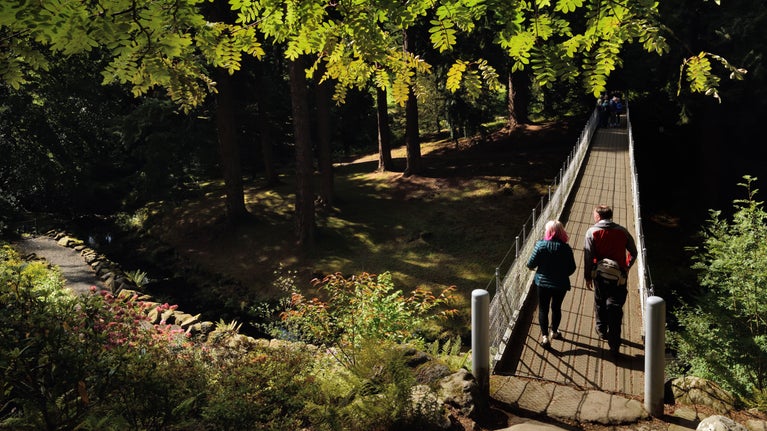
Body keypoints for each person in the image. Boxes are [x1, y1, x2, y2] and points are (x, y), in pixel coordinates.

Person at [583, 205, 638, 356]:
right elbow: (634, 252)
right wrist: (626, 267)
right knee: (615, 308)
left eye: (594, 215)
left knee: (600, 301)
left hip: (600, 276)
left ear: (598, 217)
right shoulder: (623, 231)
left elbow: (588, 257)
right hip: (619, 277)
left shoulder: (591, 232)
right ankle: (614, 344)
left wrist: (588, 276)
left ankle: (601, 329)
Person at [527, 220, 576, 347]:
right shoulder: (566, 248)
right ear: (561, 232)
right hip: (560, 284)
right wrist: (562, 274)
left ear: (548, 231)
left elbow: (530, 263)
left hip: (543, 283)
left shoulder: (540, 245)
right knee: (556, 307)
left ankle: (544, 337)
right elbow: (572, 268)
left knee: (543, 309)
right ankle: (554, 331)